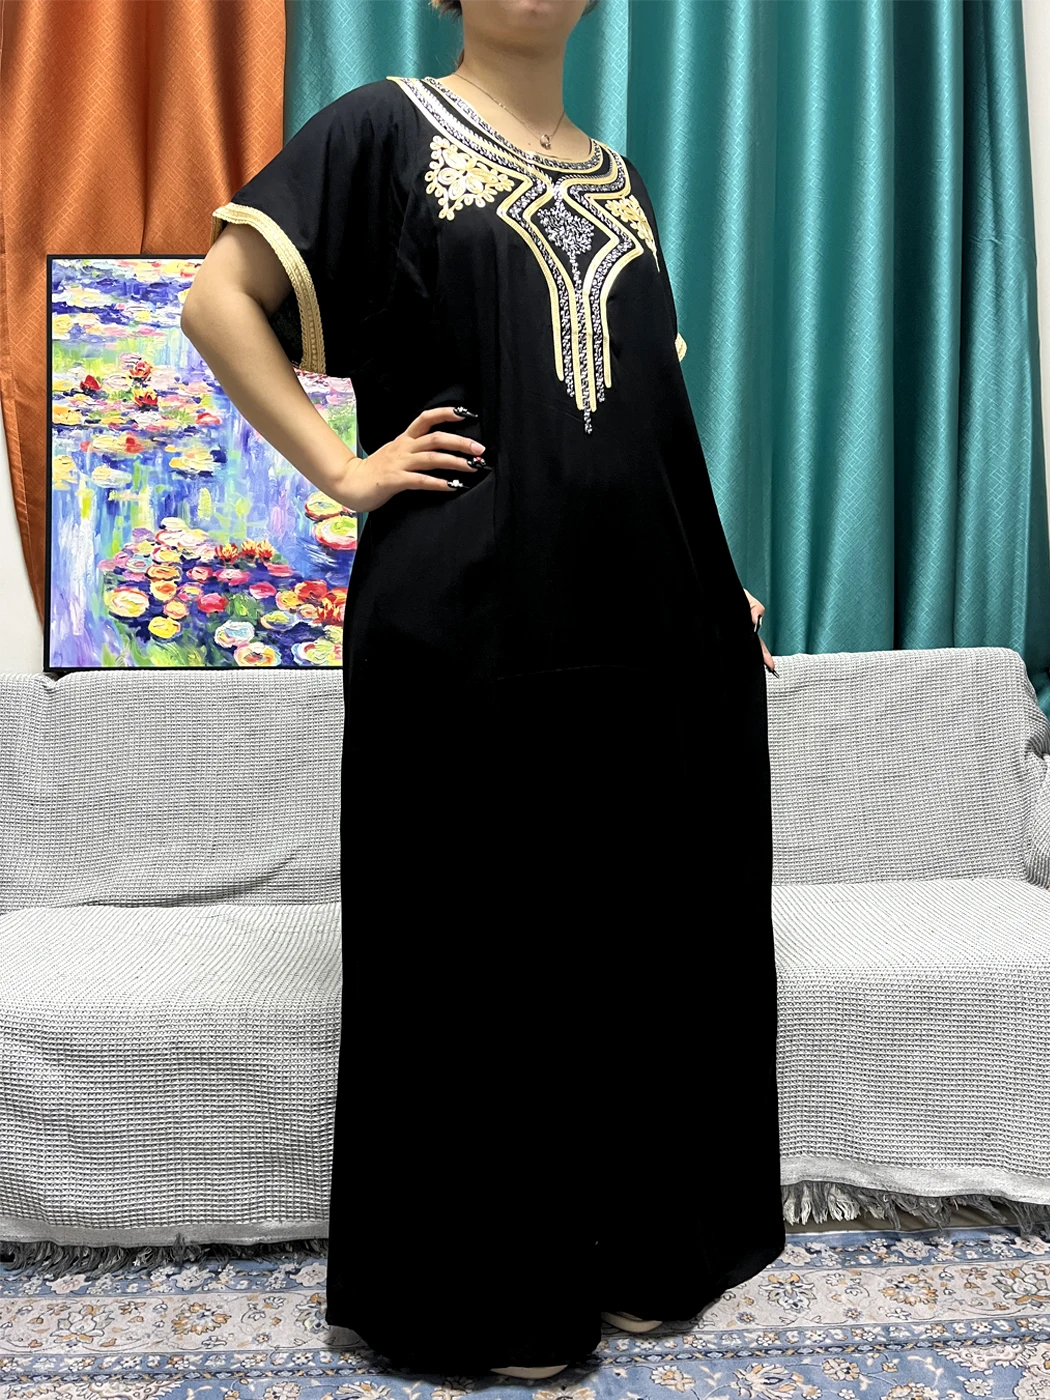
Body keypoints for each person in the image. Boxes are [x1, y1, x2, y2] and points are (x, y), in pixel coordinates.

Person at [182, 0, 785, 1380]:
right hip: (461, 615)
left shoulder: (620, 178)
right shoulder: (382, 128)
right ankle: (489, 1299)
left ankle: (640, 1254)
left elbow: (650, 414)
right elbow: (218, 300)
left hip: (641, 617)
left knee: (639, 932)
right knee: (479, 942)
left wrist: (714, 577)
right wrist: (342, 471)